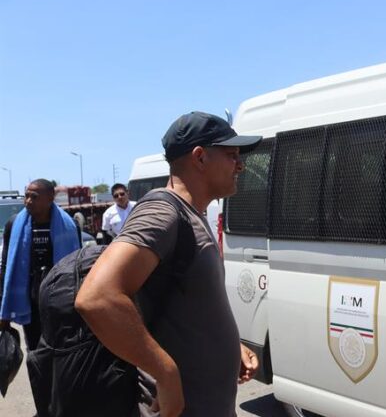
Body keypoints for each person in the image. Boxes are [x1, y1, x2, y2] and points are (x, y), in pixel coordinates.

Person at [75, 111, 262, 417]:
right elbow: (97, 297)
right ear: (200, 158)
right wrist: (165, 374)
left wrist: (230, 347)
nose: (240, 165)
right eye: (231, 155)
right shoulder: (164, 212)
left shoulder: (192, 215)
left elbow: (190, 306)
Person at [0, 179, 81, 350]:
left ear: (50, 198)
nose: (28, 201)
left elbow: (79, 265)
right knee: (35, 349)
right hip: (29, 299)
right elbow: (6, 266)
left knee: (61, 349)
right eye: (26, 196)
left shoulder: (69, 225)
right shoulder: (14, 225)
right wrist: (3, 308)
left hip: (60, 299)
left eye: (34, 197)